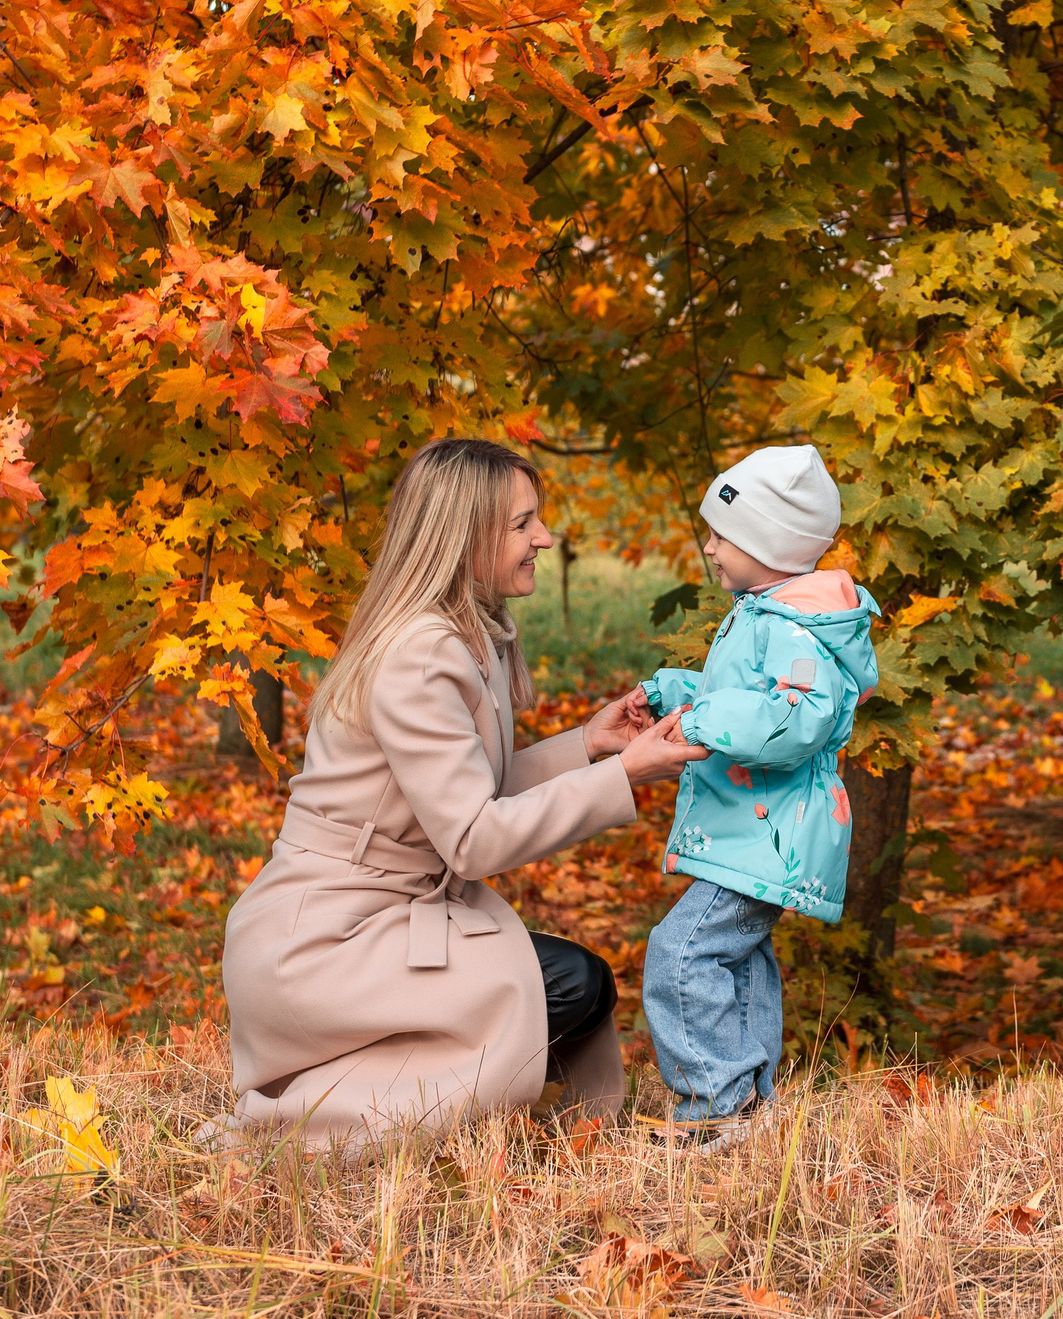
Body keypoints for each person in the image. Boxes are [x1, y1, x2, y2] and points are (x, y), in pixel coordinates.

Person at [219, 438, 704, 1147]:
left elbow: (470, 792)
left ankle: (526, 1121)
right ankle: (307, 1113)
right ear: (464, 535)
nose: (544, 538)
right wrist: (622, 775)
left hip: (382, 920)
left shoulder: (466, 635)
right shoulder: (420, 654)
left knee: (579, 984)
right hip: (324, 944)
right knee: (560, 985)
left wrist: (589, 744)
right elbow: (474, 839)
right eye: (522, 524)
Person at [638, 443, 879, 1133]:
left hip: (770, 835)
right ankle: (748, 1106)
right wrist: (672, 696)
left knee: (681, 953)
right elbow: (746, 696)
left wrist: (701, 720)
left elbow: (797, 715)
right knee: (736, 960)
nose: (710, 547)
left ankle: (716, 1105)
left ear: (769, 544)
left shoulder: (796, 627)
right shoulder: (766, 612)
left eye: (723, 535)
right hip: (756, 829)